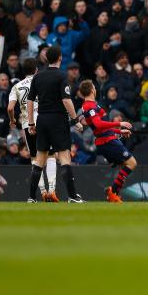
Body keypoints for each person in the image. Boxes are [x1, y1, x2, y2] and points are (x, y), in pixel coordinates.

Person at [26, 46, 85, 203]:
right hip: (58, 120)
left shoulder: (37, 77)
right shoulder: (61, 76)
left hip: (42, 120)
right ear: (60, 58)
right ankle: (72, 196)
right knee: (65, 156)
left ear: (46, 58)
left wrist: (31, 122)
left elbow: (30, 101)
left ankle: (31, 197)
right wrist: (75, 120)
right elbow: (66, 100)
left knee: (40, 159)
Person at [7, 58, 58, 202]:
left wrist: (12, 120)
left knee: (35, 159)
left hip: (28, 125)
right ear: (36, 69)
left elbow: (10, 108)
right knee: (51, 156)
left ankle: (42, 192)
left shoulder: (16, 86)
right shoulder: (42, 81)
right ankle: (52, 190)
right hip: (45, 121)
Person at [79, 80, 135, 203]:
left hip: (108, 139)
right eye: (94, 86)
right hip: (107, 141)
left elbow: (103, 126)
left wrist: (120, 131)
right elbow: (98, 125)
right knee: (132, 163)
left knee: (123, 166)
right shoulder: (89, 106)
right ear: (92, 89)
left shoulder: (93, 105)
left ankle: (113, 193)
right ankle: (112, 192)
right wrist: (120, 123)